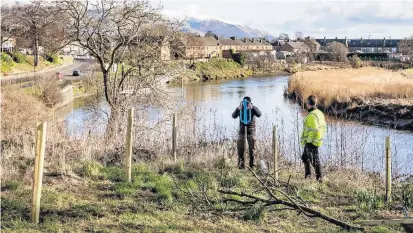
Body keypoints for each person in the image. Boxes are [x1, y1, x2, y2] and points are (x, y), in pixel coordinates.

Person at [300, 95, 326, 182]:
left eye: (306, 103)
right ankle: (307, 177)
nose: (306, 105)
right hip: (317, 140)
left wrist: (308, 140)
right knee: (305, 157)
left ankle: (319, 180)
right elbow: (323, 127)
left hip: (311, 142)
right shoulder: (319, 113)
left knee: (315, 161)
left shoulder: (312, 115)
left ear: (308, 104)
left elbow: (314, 130)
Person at [232, 96, 262, 169]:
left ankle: (252, 166)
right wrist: (237, 109)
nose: (246, 105)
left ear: (250, 103)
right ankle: (241, 166)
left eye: (247, 103)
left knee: (252, 149)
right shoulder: (240, 108)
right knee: (240, 148)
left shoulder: (253, 108)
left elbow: (259, 114)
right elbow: (233, 116)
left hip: (251, 131)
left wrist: (252, 108)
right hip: (242, 131)